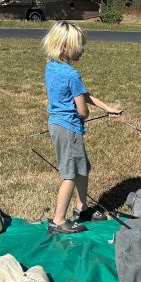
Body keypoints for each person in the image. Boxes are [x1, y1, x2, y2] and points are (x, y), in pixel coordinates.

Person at [42, 21, 122, 234]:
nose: (83, 49)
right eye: (80, 45)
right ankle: (58, 221)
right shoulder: (72, 74)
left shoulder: (52, 67)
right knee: (70, 174)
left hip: (58, 125)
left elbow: (83, 94)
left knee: (82, 169)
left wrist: (106, 108)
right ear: (66, 47)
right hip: (69, 129)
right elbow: (82, 109)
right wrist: (85, 115)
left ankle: (82, 208)